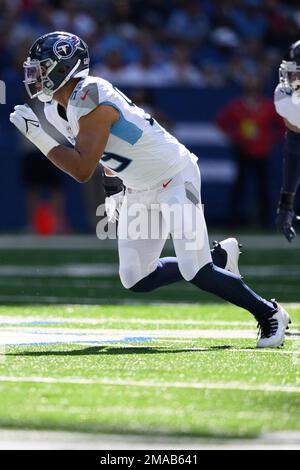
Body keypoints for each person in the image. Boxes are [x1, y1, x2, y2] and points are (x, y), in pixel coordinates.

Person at [10, 31, 290, 348]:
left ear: (64, 67)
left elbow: (81, 167)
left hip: (174, 175)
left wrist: (40, 139)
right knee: (137, 277)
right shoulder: (55, 110)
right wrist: (114, 189)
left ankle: (269, 313)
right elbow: (107, 151)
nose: (35, 76)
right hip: (139, 186)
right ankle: (219, 256)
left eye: (42, 68)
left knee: (196, 269)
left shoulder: (91, 94)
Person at [216, 77, 283, 228]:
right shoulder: (237, 105)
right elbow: (221, 121)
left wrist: (272, 138)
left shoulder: (267, 106)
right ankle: (233, 221)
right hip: (243, 150)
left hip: (262, 152)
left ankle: (266, 222)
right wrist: (233, 136)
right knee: (240, 187)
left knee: (264, 188)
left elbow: (281, 124)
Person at [274, 39, 300, 242]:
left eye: (296, 73)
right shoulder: (285, 97)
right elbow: (294, 149)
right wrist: (286, 202)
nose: (290, 79)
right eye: (289, 72)